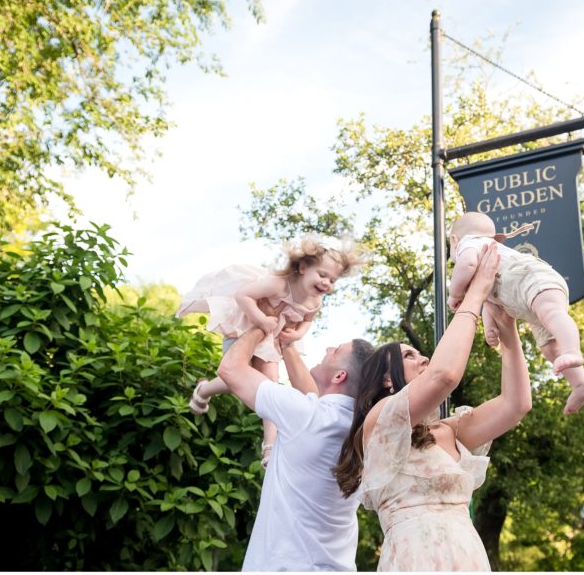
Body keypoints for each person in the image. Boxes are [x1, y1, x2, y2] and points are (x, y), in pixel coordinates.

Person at [334, 242, 532, 571]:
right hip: (416, 559)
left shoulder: (450, 430)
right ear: (386, 380)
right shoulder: (379, 423)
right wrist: (475, 294)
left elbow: (516, 404)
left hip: (467, 557)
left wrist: (507, 329)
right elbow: (445, 375)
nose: (423, 357)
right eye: (409, 356)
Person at [178, 236, 363, 466]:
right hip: (246, 328)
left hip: (271, 339)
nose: (326, 283)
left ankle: (269, 445)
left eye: (333, 280)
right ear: (303, 267)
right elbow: (242, 295)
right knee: (235, 376)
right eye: (322, 275)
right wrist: (261, 319)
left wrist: (298, 334)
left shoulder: (315, 301)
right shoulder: (279, 284)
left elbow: (307, 320)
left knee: (270, 384)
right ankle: (205, 389)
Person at [217, 319, 375, 572]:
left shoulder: (307, 415)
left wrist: (261, 323)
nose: (327, 349)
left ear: (339, 376)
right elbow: (315, 395)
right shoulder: (360, 428)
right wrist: (286, 344)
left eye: (335, 351)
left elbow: (230, 369)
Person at [447, 211, 584, 414]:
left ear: (454, 240)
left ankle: (572, 351)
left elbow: (467, 263)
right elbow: (490, 301)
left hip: (532, 279)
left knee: (552, 313)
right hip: (526, 302)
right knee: (548, 347)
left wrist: (454, 293)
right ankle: (580, 384)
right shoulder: (486, 263)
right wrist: (490, 327)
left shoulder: (470, 243)